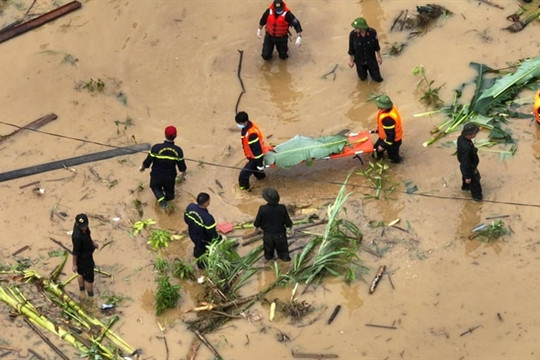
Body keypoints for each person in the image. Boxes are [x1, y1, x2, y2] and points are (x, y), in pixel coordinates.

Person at [140, 126, 187, 208]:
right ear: (175, 136)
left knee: (155, 187)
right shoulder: (178, 151)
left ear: (165, 134)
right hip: (170, 177)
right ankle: (170, 205)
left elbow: (148, 162)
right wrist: (183, 174)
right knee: (170, 193)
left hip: (156, 175)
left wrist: (143, 168)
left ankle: (162, 203)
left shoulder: (156, 148)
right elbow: (182, 167)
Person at [254, 188, 293, 261]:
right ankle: (285, 260)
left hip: (268, 235)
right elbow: (287, 222)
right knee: (284, 252)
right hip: (280, 235)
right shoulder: (282, 208)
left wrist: (257, 227)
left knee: (268, 252)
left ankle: (269, 261)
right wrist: (289, 226)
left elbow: (257, 223)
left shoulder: (263, 209)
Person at [184, 192, 221, 269]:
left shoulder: (190, 207)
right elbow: (212, 234)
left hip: (192, 232)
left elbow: (186, 219)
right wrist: (219, 239)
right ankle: (202, 266)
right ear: (206, 203)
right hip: (202, 238)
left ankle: (196, 254)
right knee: (202, 251)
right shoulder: (208, 219)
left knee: (197, 246)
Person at [235, 111, 267, 191]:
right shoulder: (249, 126)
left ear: (245, 122)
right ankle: (262, 179)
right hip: (253, 156)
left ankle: (245, 191)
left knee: (243, 175)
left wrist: (260, 164)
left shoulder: (251, 134)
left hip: (255, 158)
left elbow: (257, 151)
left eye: (240, 123)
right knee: (257, 172)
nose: (238, 125)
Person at [348, 17, 383, 82]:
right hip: (359, 62)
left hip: (371, 61)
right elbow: (351, 49)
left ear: (362, 27)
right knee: (363, 79)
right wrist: (351, 61)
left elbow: (377, 46)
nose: (355, 29)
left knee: (378, 80)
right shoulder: (352, 35)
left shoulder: (372, 32)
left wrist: (379, 57)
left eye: (356, 27)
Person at [71, 213, 99, 297]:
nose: (84, 227)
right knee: (88, 279)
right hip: (84, 258)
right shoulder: (77, 237)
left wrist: (92, 243)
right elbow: (75, 252)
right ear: (77, 224)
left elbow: (88, 235)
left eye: (85, 225)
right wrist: (74, 264)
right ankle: (91, 297)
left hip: (85, 255)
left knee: (81, 273)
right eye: (82, 226)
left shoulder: (82, 227)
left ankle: (82, 291)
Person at [372, 94, 403, 163]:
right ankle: (379, 158)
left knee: (393, 157)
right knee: (375, 151)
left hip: (393, 141)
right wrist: (378, 129)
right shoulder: (389, 109)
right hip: (385, 137)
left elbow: (391, 137)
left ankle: (398, 163)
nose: (378, 107)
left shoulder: (388, 119)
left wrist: (383, 146)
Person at [457, 123, 483, 202]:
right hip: (469, 168)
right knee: (475, 184)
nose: (475, 134)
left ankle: (465, 188)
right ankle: (477, 198)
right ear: (469, 134)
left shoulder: (461, 138)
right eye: (474, 133)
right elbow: (466, 163)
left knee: (466, 181)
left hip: (464, 167)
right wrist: (468, 176)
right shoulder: (467, 148)